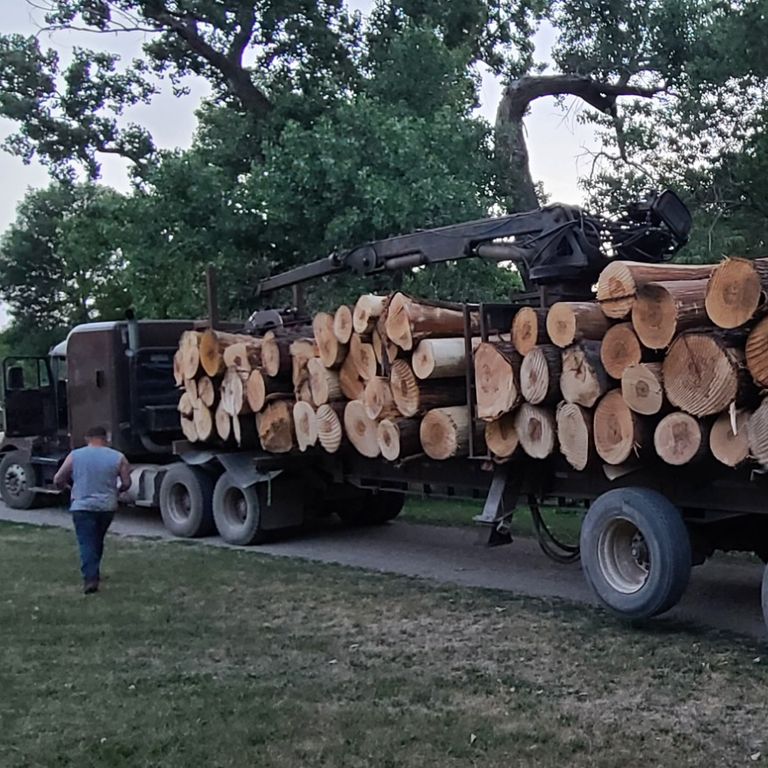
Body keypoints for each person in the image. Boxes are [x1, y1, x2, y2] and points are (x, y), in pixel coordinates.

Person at [54, 426, 132, 594]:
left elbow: (58, 478)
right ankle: (94, 570)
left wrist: (68, 488)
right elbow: (126, 483)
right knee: (97, 539)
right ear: (106, 438)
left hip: (82, 506)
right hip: (107, 507)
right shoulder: (118, 457)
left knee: (86, 542)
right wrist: (116, 492)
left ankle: (90, 579)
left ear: (87, 438)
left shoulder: (75, 455)